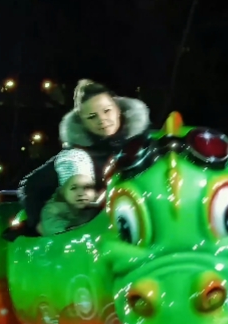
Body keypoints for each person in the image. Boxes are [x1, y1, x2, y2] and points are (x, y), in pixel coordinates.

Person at [19, 80, 150, 233]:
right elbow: (31, 186)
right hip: (101, 234)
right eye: (92, 116)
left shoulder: (145, 140)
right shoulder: (77, 157)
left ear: (118, 108)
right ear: (82, 121)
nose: (102, 119)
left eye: (107, 110)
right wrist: (37, 223)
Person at [39, 149, 104, 236]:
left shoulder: (99, 203)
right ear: (62, 191)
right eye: (74, 188)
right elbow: (60, 233)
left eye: (87, 187)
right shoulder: (52, 211)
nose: (81, 193)